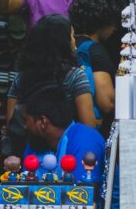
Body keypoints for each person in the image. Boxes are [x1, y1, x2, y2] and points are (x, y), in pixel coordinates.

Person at [5, 15, 97, 157]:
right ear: (63, 43)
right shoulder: (76, 77)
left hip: (29, 158)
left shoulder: (21, 78)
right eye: (72, 37)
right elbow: (88, 128)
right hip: (67, 158)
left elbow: (12, 122)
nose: (75, 44)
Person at [21, 85, 105, 184]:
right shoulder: (36, 143)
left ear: (43, 122)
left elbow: (82, 196)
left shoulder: (84, 142)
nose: (24, 126)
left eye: (25, 120)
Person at [69, 0, 120, 120]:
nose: (115, 27)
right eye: (113, 21)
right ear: (103, 20)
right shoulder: (95, 50)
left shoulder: (69, 45)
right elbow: (106, 103)